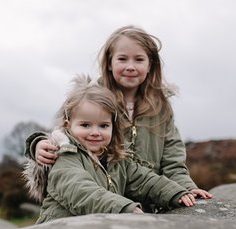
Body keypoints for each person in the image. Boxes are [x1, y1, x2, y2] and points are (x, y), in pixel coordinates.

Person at [27, 26, 213, 211]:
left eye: (139, 59)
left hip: (146, 202)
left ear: (150, 65)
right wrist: (38, 144)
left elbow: (173, 157)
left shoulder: (160, 107)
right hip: (98, 199)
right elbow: (63, 136)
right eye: (122, 59)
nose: (130, 66)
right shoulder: (90, 98)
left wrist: (184, 188)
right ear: (109, 63)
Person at [28, 75, 210, 224]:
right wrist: (125, 209)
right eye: (85, 125)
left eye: (103, 126)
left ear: (113, 127)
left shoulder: (116, 159)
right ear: (68, 125)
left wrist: (176, 193)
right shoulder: (65, 156)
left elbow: (146, 180)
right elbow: (81, 191)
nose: (95, 133)